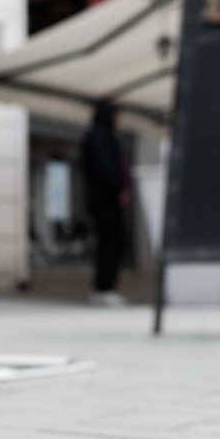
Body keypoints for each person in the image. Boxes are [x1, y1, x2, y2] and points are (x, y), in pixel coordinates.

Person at [81, 101, 130, 305]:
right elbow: (106, 166)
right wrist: (119, 187)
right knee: (111, 241)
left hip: (101, 199)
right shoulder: (101, 136)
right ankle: (104, 287)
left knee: (108, 242)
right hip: (105, 199)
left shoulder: (96, 135)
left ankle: (103, 287)